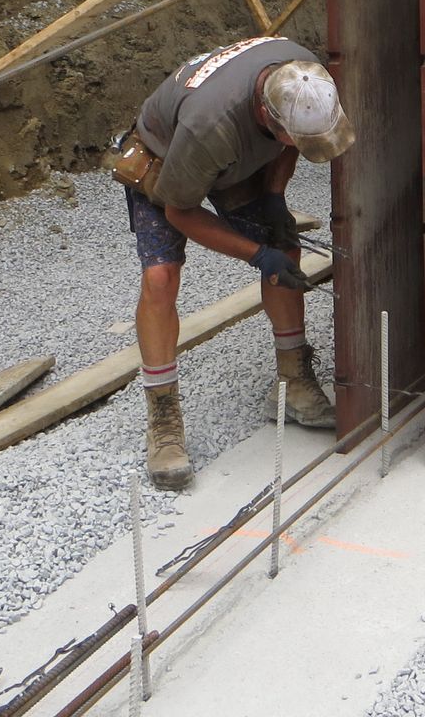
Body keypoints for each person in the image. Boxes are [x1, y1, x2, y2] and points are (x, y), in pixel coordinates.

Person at [110, 35, 355, 490]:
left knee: (287, 247)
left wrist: (275, 199)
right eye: (292, 135)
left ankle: (294, 385)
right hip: (166, 159)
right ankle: (163, 417)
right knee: (160, 278)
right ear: (267, 115)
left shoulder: (304, 77)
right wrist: (257, 255)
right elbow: (179, 211)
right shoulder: (211, 127)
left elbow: (288, 147)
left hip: (233, 157)